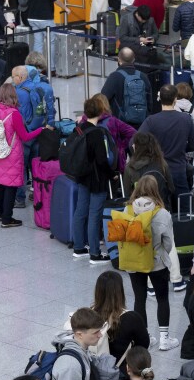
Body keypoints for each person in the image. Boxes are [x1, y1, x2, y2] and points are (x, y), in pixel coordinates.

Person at [114, 174, 177, 349]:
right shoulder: (162, 213)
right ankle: (164, 339)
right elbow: (168, 243)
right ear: (155, 190)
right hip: (157, 262)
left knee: (139, 298)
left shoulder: (127, 210)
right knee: (162, 298)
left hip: (134, 262)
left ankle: (145, 337)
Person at [0, 82, 48, 227]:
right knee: (11, 186)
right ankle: (7, 219)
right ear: (13, 96)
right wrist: (41, 130)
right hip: (11, 154)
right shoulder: (14, 114)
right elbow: (25, 136)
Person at [70, 98, 120, 264]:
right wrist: (111, 173)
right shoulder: (98, 133)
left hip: (82, 176)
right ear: (100, 113)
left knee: (81, 210)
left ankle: (78, 247)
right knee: (95, 214)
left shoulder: (79, 129)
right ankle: (95, 253)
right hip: (97, 179)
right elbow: (101, 160)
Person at [136, 85, 194, 198]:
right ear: (175, 99)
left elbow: (135, 142)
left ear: (159, 98)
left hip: (157, 171)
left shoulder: (151, 121)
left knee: (160, 205)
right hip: (178, 170)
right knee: (183, 208)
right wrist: (181, 147)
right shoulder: (186, 119)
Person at [89, 270, 150, 366]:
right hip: (121, 372)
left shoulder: (88, 314)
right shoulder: (132, 318)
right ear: (120, 291)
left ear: (98, 291)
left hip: (94, 370)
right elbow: (144, 345)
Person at [84, 93, 135, 174]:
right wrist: (121, 146)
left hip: (88, 163)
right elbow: (133, 132)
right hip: (112, 163)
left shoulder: (84, 121)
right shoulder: (112, 121)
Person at [101, 48, 152, 128]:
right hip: (141, 124)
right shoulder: (143, 76)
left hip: (120, 125)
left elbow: (102, 99)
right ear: (133, 60)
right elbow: (149, 103)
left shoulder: (114, 77)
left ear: (118, 60)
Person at [123, 131, 174, 208]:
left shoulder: (130, 167)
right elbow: (171, 189)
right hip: (161, 207)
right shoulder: (162, 163)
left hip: (139, 211)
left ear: (136, 147)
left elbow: (126, 194)